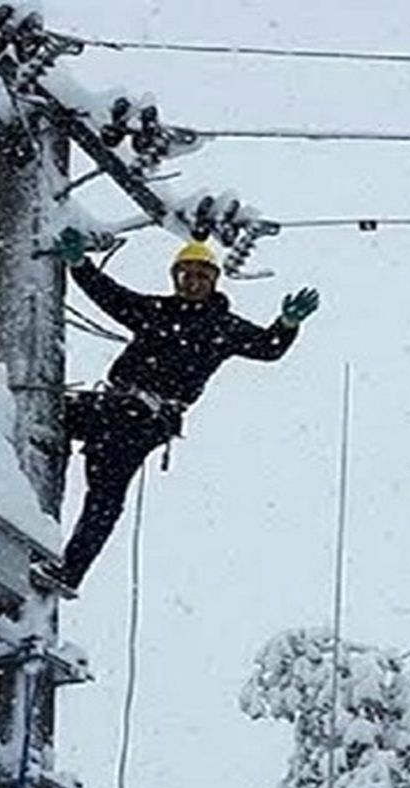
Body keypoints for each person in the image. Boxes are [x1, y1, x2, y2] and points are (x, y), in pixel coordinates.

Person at [46, 227, 320, 590]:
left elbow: (267, 347)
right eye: (186, 275)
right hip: (110, 405)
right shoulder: (156, 311)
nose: (193, 282)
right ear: (175, 278)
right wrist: (80, 265)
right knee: (46, 415)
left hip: (143, 420)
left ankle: (69, 571)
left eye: (202, 276)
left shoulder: (221, 325)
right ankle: (34, 514)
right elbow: (109, 296)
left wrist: (286, 324)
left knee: (104, 497)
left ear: (214, 282)